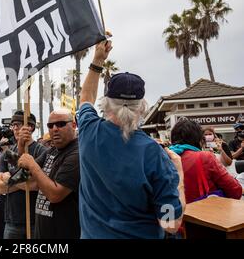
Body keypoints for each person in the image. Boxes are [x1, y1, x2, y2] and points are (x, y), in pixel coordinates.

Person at [78, 40, 185, 239]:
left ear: (106, 103)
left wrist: (98, 60)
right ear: (142, 106)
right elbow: (170, 223)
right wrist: (178, 174)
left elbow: (86, 97)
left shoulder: (88, 131)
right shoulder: (154, 154)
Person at [17, 109, 80, 239]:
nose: (55, 129)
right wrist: (21, 145)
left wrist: (32, 165)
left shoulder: (77, 154)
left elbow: (55, 195)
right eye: (50, 126)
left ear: (74, 125)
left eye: (61, 124)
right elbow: (25, 174)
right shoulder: (52, 151)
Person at [0, 110, 47, 239]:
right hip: (12, 221)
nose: (15, 129)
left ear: (30, 127)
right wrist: (25, 182)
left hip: (36, 220)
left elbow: (38, 185)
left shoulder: (42, 151)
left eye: (18, 124)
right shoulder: (7, 154)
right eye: (13, 125)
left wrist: (9, 180)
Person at [170, 119, 243, 204]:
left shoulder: (163, 158)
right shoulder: (204, 157)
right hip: (200, 212)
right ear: (198, 138)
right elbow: (235, 190)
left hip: (171, 213)